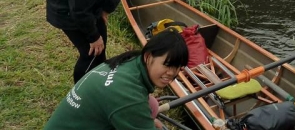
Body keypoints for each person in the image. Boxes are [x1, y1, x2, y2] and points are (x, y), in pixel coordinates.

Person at [44, 29, 189, 130]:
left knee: (151, 105)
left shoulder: (131, 61)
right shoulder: (127, 95)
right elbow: (131, 104)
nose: (172, 73)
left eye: (178, 67)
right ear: (148, 56)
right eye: (167, 65)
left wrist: (143, 121)